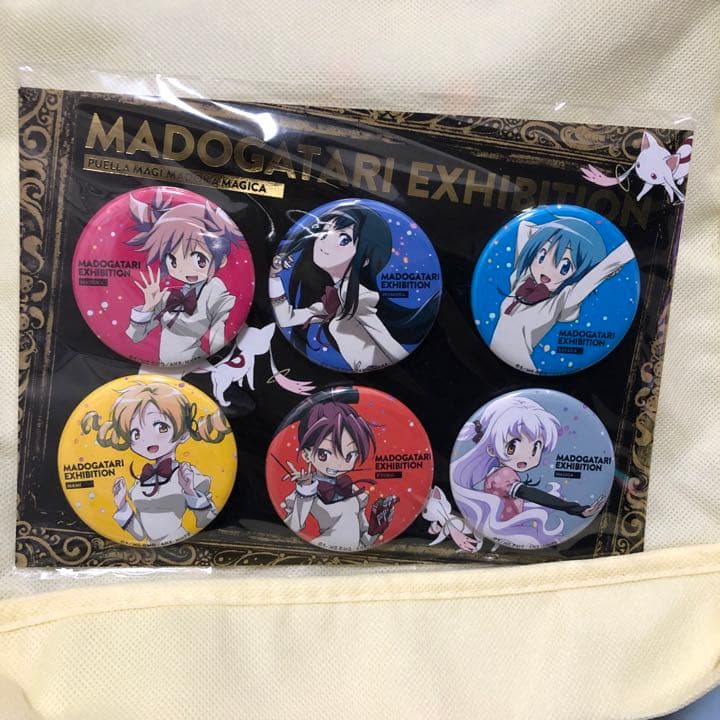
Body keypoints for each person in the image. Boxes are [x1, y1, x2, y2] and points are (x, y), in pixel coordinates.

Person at [269, 202, 439, 371]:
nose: (325, 243)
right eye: (324, 233)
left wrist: (409, 370)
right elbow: (286, 319)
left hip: (381, 373)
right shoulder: (336, 298)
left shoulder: (359, 298)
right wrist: (275, 276)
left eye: (344, 240)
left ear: (366, 259)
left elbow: (388, 344)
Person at [81, 380, 232, 544]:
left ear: (184, 434)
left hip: (182, 542)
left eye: (161, 427)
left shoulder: (187, 475)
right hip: (146, 551)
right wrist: (122, 505)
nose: (148, 439)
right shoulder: (140, 483)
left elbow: (206, 520)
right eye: (135, 433)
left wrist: (190, 491)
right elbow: (139, 536)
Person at [490, 213, 634, 372]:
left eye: (564, 266)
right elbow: (523, 226)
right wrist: (555, 227)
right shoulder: (523, 278)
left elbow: (604, 268)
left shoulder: (564, 299)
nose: (545, 270)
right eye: (542, 255)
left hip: (521, 366)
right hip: (496, 360)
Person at [125, 188, 244, 364]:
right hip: (159, 365)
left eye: (199, 259)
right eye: (173, 261)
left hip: (196, 365)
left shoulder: (216, 294)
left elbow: (219, 335)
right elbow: (134, 338)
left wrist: (218, 363)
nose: (185, 270)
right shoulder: (167, 296)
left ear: (222, 259)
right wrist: (149, 307)